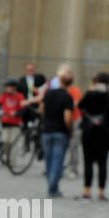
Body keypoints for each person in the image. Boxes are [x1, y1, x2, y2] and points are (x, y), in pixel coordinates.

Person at [78, 73, 109, 201]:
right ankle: (101, 192)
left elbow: (80, 106)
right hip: (104, 133)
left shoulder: (90, 94)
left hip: (89, 131)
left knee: (88, 163)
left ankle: (87, 191)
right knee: (103, 163)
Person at [41, 66, 75, 197]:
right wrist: (70, 129)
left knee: (48, 160)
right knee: (57, 160)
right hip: (60, 131)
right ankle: (53, 187)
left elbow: (42, 108)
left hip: (47, 130)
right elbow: (67, 117)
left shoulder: (49, 93)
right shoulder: (68, 97)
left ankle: (51, 184)